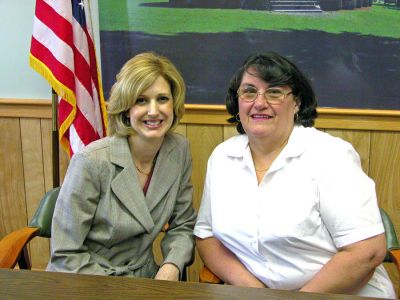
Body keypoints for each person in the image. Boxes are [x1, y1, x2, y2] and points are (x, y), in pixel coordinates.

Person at [194, 52, 395, 298]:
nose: (259, 102)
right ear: (237, 102)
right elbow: (206, 237)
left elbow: (367, 252)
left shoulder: (331, 156)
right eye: (249, 92)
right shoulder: (222, 158)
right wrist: (256, 291)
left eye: (274, 92)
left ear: (297, 102)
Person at [47, 52, 196, 281]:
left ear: (174, 104)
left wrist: (171, 266)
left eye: (162, 99)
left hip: (146, 278)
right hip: (88, 279)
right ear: (126, 108)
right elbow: (66, 254)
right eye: (141, 100)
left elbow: (183, 225)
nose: (154, 111)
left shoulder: (179, 151)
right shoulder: (91, 161)